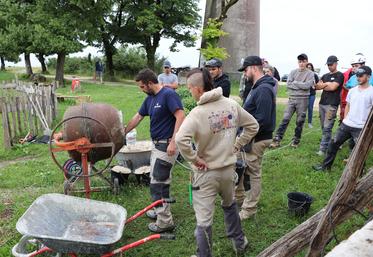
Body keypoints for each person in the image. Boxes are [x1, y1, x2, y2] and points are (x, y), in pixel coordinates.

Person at [175, 68, 259, 257]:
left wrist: (195, 159)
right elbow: (253, 125)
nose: (189, 92)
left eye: (189, 88)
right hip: (229, 171)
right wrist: (237, 145)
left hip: (206, 174)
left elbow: (181, 139)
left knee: (204, 220)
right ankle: (240, 243)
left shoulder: (197, 113)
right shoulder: (231, 104)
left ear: (197, 89)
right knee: (229, 205)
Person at [125, 68, 185, 233]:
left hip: (167, 145)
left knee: (158, 183)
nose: (142, 90)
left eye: (142, 87)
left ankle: (165, 222)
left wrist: (174, 141)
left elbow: (180, 116)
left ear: (150, 83)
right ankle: (159, 209)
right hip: (157, 145)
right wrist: (123, 132)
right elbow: (138, 117)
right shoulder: (150, 99)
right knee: (157, 178)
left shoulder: (168, 95)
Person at [235, 56, 276, 220]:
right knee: (238, 167)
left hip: (256, 139)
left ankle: (249, 209)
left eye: (245, 70)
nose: (244, 74)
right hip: (249, 137)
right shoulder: (257, 86)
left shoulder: (263, 89)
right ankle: (238, 198)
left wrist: (244, 137)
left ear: (253, 68)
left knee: (253, 173)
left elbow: (263, 119)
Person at [313, 66, 373, 171]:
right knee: (333, 143)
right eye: (357, 75)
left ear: (368, 77)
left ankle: (359, 172)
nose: (358, 77)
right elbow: (348, 106)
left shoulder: (371, 92)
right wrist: (345, 119)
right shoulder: (352, 91)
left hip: (361, 127)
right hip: (346, 125)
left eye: (361, 75)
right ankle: (325, 167)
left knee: (360, 151)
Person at [270, 53, 314, 148]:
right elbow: (289, 84)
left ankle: (296, 140)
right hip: (292, 99)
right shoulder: (293, 72)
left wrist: (296, 83)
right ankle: (277, 139)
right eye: (300, 62)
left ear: (307, 62)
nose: (301, 63)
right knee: (285, 119)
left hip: (303, 100)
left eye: (303, 61)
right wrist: (301, 85)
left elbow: (307, 86)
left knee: (300, 121)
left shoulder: (310, 74)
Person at [314, 56, 344, 156]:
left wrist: (325, 85)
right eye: (328, 64)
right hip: (322, 103)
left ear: (336, 63)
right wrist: (327, 85)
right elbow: (317, 87)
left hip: (332, 105)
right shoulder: (325, 75)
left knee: (327, 128)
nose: (329, 66)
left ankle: (322, 149)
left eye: (331, 64)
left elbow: (333, 87)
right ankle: (331, 144)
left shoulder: (340, 75)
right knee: (324, 127)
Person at [340, 53, 367, 122]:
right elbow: (346, 86)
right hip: (352, 107)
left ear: (363, 65)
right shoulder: (352, 77)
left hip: (364, 109)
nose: (354, 68)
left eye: (356, 66)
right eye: (353, 66)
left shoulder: (371, 77)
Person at [306, 63, 319, 128]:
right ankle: (300, 122)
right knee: (302, 109)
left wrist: (315, 86)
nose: (309, 68)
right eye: (307, 67)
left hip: (312, 94)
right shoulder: (304, 75)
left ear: (312, 68)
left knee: (310, 108)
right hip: (304, 94)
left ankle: (309, 123)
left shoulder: (315, 75)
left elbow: (318, 84)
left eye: (310, 67)